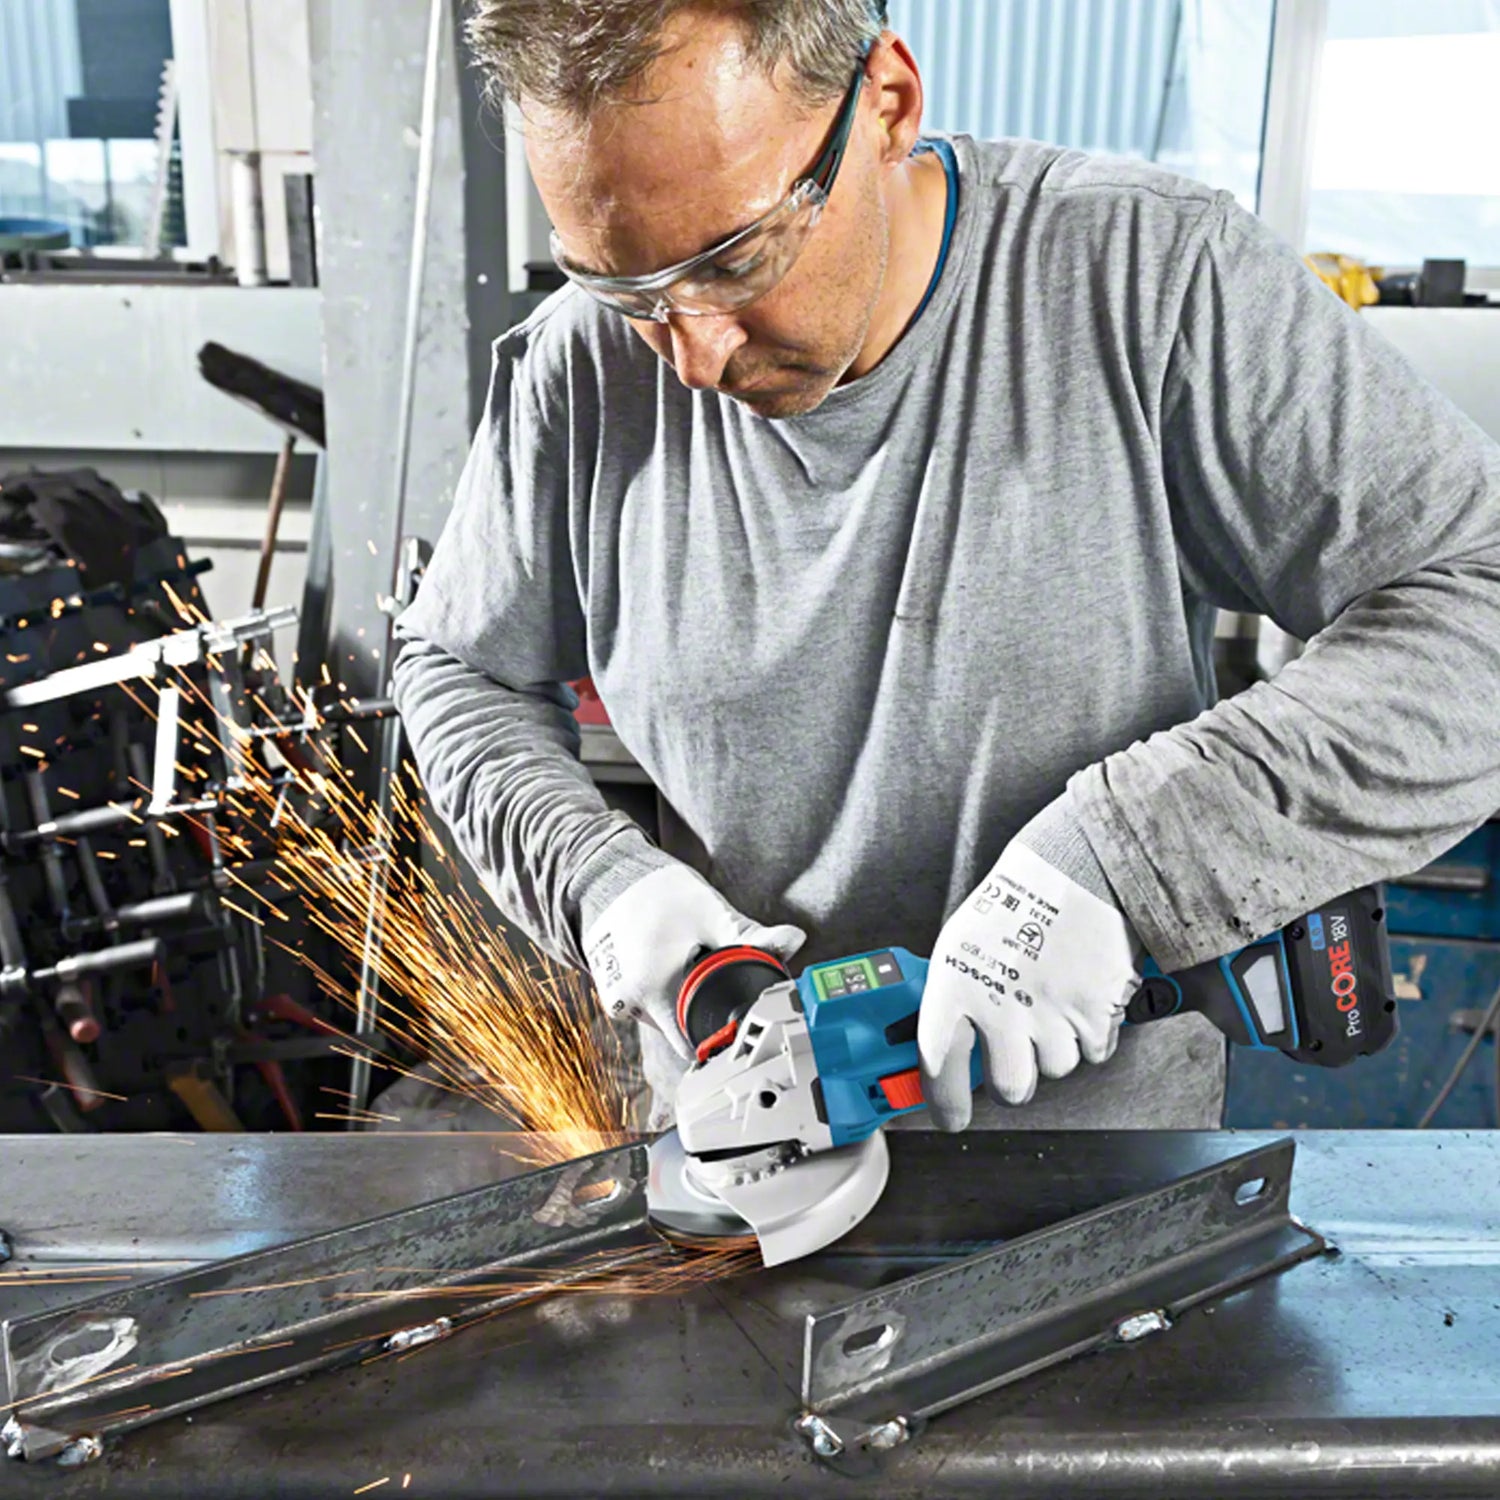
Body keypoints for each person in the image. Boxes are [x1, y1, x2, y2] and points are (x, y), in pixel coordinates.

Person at [393, 0, 1500, 1134]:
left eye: (736, 258)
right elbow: (457, 668)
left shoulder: (1152, 280)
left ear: (887, 103)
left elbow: (1481, 601)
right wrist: (601, 882)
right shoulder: (580, 370)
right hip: (739, 1154)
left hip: (1093, 1178)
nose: (694, 358)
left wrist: (1124, 863)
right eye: (627, 289)